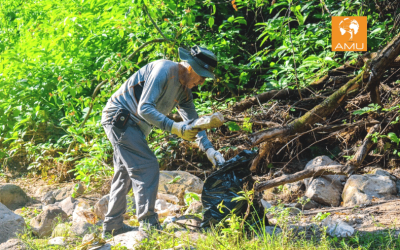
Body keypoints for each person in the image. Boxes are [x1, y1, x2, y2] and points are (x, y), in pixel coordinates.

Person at [101, 45, 225, 238]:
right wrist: (175, 128)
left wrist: (210, 150)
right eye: (201, 76)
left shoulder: (185, 92)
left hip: (132, 126)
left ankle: (112, 226)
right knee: (146, 166)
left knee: (124, 172)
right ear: (190, 68)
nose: (202, 82)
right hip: (120, 118)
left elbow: (194, 123)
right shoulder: (163, 70)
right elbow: (144, 108)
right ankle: (148, 224)